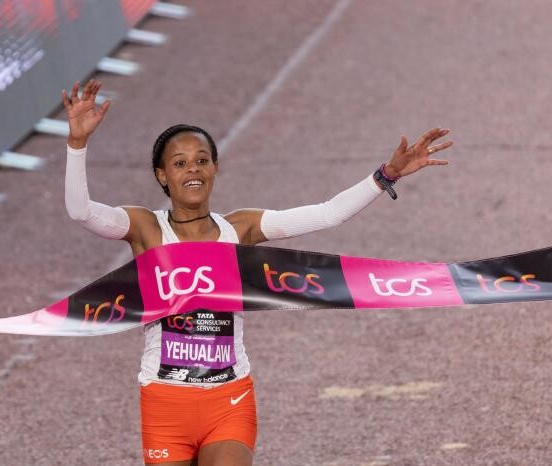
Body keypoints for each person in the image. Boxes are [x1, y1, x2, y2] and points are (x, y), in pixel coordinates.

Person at [61, 79, 453, 466]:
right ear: (162, 175)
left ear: (215, 167)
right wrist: (77, 144)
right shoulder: (146, 228)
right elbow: (81, 212)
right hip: (165, 402)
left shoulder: (240, 228)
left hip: (228, 400)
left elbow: (329, 214)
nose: (193, 169)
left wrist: (386, 175)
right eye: (179, 163)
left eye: (202, 160)